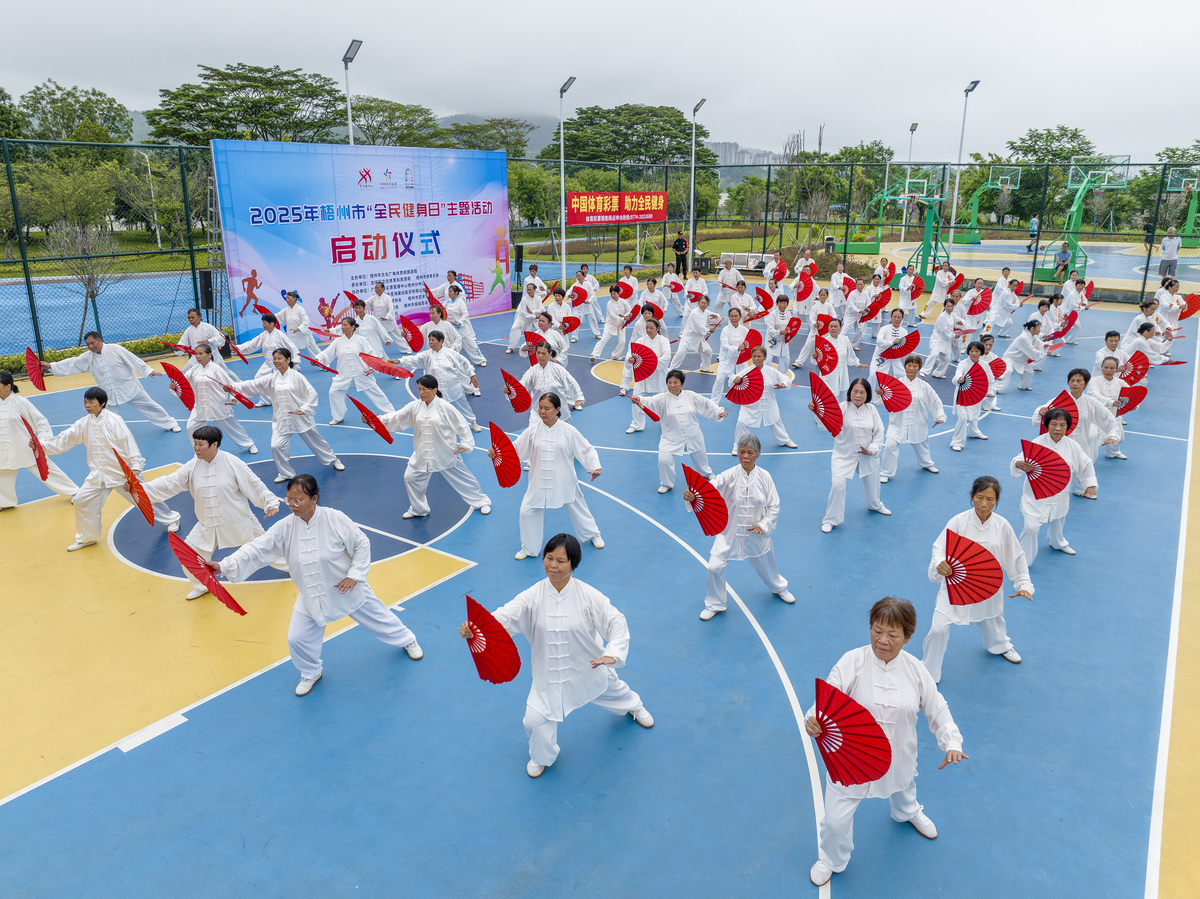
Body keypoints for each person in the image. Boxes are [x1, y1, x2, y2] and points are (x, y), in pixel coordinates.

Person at [460, 533, 653, 778]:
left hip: (588, 668)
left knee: (614, 690)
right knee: (533, 721)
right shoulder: (532, 595)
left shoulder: (588, 595)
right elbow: (505, 616)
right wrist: (475, 628)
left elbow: (615, 621)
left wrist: (612, 653)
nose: (553, 565)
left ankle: (635, 707)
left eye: (561, 561)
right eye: (549, 558)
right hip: (548, 676)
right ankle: (542, 756)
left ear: (574, 563)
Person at [210, 474, 422, 695]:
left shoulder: (334, 518)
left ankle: (407, 640)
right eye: (288, 500)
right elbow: (257, 548)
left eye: (298, 500)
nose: (292, 505)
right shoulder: (285, 527)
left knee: (380, 619)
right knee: (296, 638)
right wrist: (224, 566)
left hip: (345, 587)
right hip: (311, 592)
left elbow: (361, 544)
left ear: (314, 498)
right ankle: (311, 672)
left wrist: (355, 574)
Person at [807, 596, 965, 888]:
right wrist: (813, 718)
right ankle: (832, 858)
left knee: (903, 785)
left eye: (892, 635)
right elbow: (826, 698)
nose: (882, 640)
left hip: (899, 756)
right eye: (877, 630)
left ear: (907, 636)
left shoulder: (917, 670)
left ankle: (907, 812)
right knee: (835, 821)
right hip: (851, 760)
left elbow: (937, 707)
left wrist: (951, 742)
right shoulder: (852, 661)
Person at [143, 425, 281, 600]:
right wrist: (140, 490)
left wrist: (270, 503)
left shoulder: (232, 462)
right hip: (207, 524)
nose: (197, 448)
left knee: (267, 550)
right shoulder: (192, 466)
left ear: (214, 445)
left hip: (238, 521)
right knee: (189, 555)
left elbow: (254, 484)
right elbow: (169, 482)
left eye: (201, 444)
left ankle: (297, 566)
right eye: (195, 443)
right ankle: (201, 585)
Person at [920, 476, 1033, 683]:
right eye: (979, 497)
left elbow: (1015, 556)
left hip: (987, 587)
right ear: (972, 496)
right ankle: (928, 672)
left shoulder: (1002, 526)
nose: (984, 504)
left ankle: (999, 646)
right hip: (956, 585)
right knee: (938, 628)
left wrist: (1023, 583)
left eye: (990, 499)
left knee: (992, 620)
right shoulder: (958, 521)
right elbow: (939, 548)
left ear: (997, 501)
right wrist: (939, 565)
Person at [40, 387, 181, 551]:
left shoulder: (114, 420)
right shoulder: (84, 423)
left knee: (145, 499)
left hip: (122, 474)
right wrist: (41, 446)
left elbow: (128, 441)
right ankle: (88, 537)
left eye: (91, 402)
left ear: (102, 403)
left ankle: (172, 518)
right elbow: (65, 439)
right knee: (81, 500)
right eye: (85, 401)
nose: (87, 405)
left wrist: (135, 466)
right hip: (98, 474)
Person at [689, 434, 794, 619]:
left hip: (757, 535)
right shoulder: (730, 475)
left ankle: (779, 588)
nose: (745, 456)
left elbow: (774, 505)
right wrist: (694, 494)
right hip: (729, 533)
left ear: (758, 454)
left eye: (750, 452)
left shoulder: (765, 477)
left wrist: (763, 525)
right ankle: (715, 603)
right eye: (742, 452)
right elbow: (712, 486)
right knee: (714, 566)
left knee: (768, 569)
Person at [500, 393, 604, 560]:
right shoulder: (532, 430)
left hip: (564, 479)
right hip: (538, 480)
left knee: (577, 505)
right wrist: (498, 452)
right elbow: (516, 448)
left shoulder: (568, 431)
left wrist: (595, 467)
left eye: (547, 408)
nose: (542, 411)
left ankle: (593, 534)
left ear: (557, 410)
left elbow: (586, 449)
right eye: (540, 407)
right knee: (527, 510)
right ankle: (529, 548)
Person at [376, 374, 491, 519]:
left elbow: (461, 425)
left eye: (424, 389)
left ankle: (481, 502)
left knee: (463, 479)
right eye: (419, 389)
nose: (421, 393)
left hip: (445, 452)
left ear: (434, 390)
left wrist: (465, 444)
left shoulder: (445, 407)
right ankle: (418, 509)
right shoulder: (415, 406)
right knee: (410, 477)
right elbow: (397, 417)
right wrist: (376, 420)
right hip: (422, 453)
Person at [230, 348, 343, 483]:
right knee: (276, 446)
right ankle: (285, 472)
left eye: (279, 358)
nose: (276, 361)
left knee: (316, 442)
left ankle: (333, 459)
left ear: (288, 360)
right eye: (275, 358)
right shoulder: (272, 378)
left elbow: (311, 393)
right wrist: (232, 388)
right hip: (281, 419)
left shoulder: (297, 376)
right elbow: (253, 385)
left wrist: (304, 409)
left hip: (300, 417)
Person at [42, 331, 180, 432]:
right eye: (88, 344)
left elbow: (133, 360)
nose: (90, 346)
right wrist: (51, 366)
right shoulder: (87, 357)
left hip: (130, 388)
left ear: (100, 340)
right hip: (109, 394)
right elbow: (71, 363)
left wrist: (148, 371)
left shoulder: (116, 349)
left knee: (150, 406)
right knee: (105, 417)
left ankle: (170, 423)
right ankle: (106, 436)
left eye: (92, 343)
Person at [1011, 408, 1097, 563]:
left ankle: (1057, 543)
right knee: (1031, 527)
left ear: (1067, 427)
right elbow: (1019, 458)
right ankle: (1023, 561)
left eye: (1062, 425)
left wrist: (1090, 484)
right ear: (1047, 425)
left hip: (1060, 494)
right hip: (1036, 496)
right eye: (1054, 424)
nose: (1058, 428)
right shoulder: (1037, 443)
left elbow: (1086, 464)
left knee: (1058, 521)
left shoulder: (1072, 446)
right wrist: (1019, 464)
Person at [633, 369, 726, 493]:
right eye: (669, 382)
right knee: (664, 460)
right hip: (670, 437)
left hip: (693, 435)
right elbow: (650, 401)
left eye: (676, 382)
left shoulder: (691, 395)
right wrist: (639, 399)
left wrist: (718, 412)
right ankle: (666, 483)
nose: (672, 385)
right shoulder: (662, 398)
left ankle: (707, 474)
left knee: (701, 459)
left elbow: (707, 404)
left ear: (682, 384)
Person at [815, 378, 889, 532]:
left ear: (867, 394)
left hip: (867, 455)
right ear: (850, 392)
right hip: (844, 455)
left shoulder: (872, 410)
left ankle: (874, 505)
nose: (858, 395)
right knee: (838, 485)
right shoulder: (842, 407)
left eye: (862, 392)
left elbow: (879, 432)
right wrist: (817, 411)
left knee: (873, 484)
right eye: (855, 391)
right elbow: (824, 425)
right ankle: (831, 519)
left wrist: (872, 449)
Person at [0, 371, 78, 510]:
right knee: (2, 474)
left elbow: (41, 422)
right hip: (3, 448)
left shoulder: (21, 402)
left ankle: (74, 491)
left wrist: (41, 442)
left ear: (8, 386)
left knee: (47, 471)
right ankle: (5, 502)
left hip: (25, 447)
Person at [1032, 369, 1120, 492]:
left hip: (1081, 441)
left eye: (1079, 381)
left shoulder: (1091, 402)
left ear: (1085, 384)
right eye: (1072, 380)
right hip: (1060, 441)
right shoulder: (1058, 400)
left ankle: (1081, 490)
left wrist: (1112, 434)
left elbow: (1108, 417)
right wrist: (1041, 412)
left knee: (1082, 466)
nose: (1074, 383)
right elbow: (1039, 417)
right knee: (1055, 467)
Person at [174, 343, 258, 454]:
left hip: (218, 404)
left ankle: (249, 444)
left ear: (209, 355)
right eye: (196, 354)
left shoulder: (216, 369)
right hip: (201, 406)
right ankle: (200, 450)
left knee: (232, 427)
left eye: (201, 354)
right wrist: (175, 386)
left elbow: (230, 384)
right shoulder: (194, 369)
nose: (198, 356)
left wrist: (233, 398)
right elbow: (183, 382)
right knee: (191, 427)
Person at [879, 355, 945, 484]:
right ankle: (885, 472)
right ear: (904, 367)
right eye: (909, 365)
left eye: (915, 366)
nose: (911, 368)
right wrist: (880, 393)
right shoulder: (895, 384)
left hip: (917, 421)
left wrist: (939, 416)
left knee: (921, 443)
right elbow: (883, 400)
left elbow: (935, 401)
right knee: (890, 445)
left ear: (919, 368)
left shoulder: (924, 386)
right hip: (898, 422)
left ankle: (926, 463)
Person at [398, 330, 482, 432]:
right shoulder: (426, 355)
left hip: (453, 386)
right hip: (437, 390)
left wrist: (472, 375)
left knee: (463, 406)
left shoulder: (450, 353)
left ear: (440, 341)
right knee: (437, 409)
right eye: (429, 340)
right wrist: (400, 361)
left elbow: (464, 362)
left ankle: (473, 422)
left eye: (433, 340)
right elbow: (413, 359)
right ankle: (439, 427)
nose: (430, 342)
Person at [317, 318, 396, 425]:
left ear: (353, 327)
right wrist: (318, 359)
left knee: (376, 393)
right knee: (334, 392)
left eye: (345, 325)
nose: (343, 327)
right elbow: (327, 353)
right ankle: (338, 417)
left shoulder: (360, 340)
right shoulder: (338, 341)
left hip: (361, 373)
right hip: (343, 375)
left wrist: (373, 368)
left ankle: (391, 414)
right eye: (342, 325)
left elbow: (372, 353)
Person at [729, 346, 797, 452]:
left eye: (759, 356)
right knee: (741, 423)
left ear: (765, 357)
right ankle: (738, 445)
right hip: (749, 404)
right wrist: (735, 379)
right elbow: (732, 379)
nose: (756, 358)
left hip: (768, 402)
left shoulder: (771, 371)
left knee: (775, 419)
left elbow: (785, 378)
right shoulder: (746, 371)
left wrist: (783, 385)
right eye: (754, 356)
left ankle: (784, 440)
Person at [512, 341, 585, 426]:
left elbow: (571, 382)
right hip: (538, 412)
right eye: (538, 353)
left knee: (565, 436)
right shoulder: (532, 371)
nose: (540, 356)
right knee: (535, 436)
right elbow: (522, 385)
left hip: (559, 411)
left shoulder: (558, 369)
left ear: (550, 354)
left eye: (543, 353)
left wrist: (578, 397)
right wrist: (511, 389)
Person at [235, 313, 298, 406]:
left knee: (284, 382)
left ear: (272, 323)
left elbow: (292, 348)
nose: (263, 325)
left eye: (265, 323)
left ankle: (290, 399)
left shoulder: (280, 335)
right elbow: (252, 344)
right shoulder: (263, 335)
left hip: (280, 365)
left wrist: (295, 360)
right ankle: (266, 400)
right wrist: (237, 347)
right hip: (268, 363)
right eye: (263, 323)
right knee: (258, 378)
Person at [621, 318, 671, 434]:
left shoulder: (663, 341)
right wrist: (630, 360)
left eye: (651, 328)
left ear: (657, 328)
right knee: (636, 398)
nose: (649, 330)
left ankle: (667, 423)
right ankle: (637, 424)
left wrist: (651, 364)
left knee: (663, 401)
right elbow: (630, 354)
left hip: (658, 375)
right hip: (642, 375)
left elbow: (666, 357)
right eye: (647, 328)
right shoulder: (640, 341)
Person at [949, 341, 993, 452]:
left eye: (976, 351)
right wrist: (959, 378)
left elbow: (990, 380)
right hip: (962, 395)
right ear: (968, 351)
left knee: (974, 414)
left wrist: (991, 391)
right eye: (972, 351)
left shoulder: (985, 365)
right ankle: (957, 441)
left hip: (975, 394)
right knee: (963, 417)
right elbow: (957, 374)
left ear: (981, 353)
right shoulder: (963, 364)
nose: (974, 353)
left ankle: (974, 432)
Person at [1087, 356, 1130, 459]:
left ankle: (1112, 453)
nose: (1108, 371)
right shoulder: (1095, 381)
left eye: (1112, 368)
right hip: (1096, 416)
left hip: (1113, 416)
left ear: (1116, 369)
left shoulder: (1121, 383)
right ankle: (1087, 457)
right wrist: (1111, 402)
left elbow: (1130, 396)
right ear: (1101, 367)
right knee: (1092, 437)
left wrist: (1133, 406)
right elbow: (1095, 395)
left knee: (1119, 438)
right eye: (1105, 367)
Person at [817, 318, 866, 400]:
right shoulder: (823, 341)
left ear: (840, 328)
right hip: (828, 374)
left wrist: (857, 363)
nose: (833, 328)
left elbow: (850, 354)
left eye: (835, 326)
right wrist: (815, 356)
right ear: (828, 328)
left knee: (843, 395)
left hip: (842, 373)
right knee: (826, 395)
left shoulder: (845, 339)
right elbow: (816, 360)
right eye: (831, 326)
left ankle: (842, 411)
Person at [710, 306, 750, 402]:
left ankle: (743, 397)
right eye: (732, 316)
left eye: (736, 316)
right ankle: (714, 401)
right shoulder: (725, 330)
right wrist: (737, 348)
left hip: (740, 358)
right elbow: (725, 346)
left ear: (740, 317)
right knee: (719, 379)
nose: (734, 318)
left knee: (745, 379)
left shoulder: (744, 330)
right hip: (727, 358)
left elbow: (749, 343)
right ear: (729, 317)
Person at [669, 294, 718, 371]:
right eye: (702, 302)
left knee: (708, 352)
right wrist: (708, 330)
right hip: (688, 337)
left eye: (705, 303)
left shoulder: (706, 312)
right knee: (680, 353)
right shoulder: (694, 313)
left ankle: (705, 368)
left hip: (699, 338)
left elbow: (715, 318)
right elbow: (698, 328)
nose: (703, 304)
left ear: (707, 304)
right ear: (698, 303)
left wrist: (716, 316)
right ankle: (671, 369)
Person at [443, 283, 487, 366]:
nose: (449, 293)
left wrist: (459, 322)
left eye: (451, 291)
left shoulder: (460, 302)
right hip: (451, 330)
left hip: (461, 329)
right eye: (448, 292)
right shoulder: (447, 302)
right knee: (451, 347)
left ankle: (481, 359)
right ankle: (450, 363)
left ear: (456, 293)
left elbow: (465, 314)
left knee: (471, 346)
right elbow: (441, 309)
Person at [794, 288, 837, 370]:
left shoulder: (829, 306)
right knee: (807, 345)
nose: (822, 296)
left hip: (825, 332)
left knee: (825, 347)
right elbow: (811, 317)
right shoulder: (815, 306)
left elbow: (834, 316)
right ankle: (799, 361)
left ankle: (822, 361)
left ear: (827, 296)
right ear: (819, 296)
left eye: (824, 295)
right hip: (815, 330)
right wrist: (814, 323)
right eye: (821, 295)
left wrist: (829, 322)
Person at [178, 308, 231, 373]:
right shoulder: (188, 330)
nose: (191, 319)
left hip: (211, 357)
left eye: (193, 317)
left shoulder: (208, 327)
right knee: (185, 372)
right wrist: (177, 348)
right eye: (189, 318)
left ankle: (238, 383)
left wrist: (209, 341)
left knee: (225, 374)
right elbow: (182, 343)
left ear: (199, 317)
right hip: (196, 357)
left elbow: (221, 338)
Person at [1000, 320, 1046, 392]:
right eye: (1038, 328)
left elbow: (1040, 343)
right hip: (1010, 358)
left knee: (1029, 372)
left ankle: (1023, 386)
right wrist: (1044, 352)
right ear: (1032, 328)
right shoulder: (1024, 338)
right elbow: (1033, 353)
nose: (1040, 330)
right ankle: (998, 389)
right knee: (1008, 371)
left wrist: (1045, 346)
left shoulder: (1031, 336)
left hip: (1020, 360)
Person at [592, 285, 633, 363]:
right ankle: (595, 354)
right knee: (604, 339)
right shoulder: (609, 304)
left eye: (614, 293)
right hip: (610, 324)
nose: (613, 295)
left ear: (618, 293)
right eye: (611, 294)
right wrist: (623, 318)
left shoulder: (623, 302)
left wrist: (626, 316)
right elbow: (612, 317)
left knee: (622, 342)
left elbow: (629, 311)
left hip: (621, 325)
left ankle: (615, 355)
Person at [870, 308, 911, 382]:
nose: (896, 319)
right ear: (891, 317)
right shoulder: (884, 329)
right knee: (874, 375)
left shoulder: (904, 332)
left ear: (902, 319)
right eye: (894, 317)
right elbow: (879, 341)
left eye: (899, 317)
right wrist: (892, 342)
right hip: (882, 355)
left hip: (895, 357)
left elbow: (905, 346)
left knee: (903, 376)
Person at [277, 290, 321, 358]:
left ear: (294, 298)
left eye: (288, 298)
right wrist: (269, 317)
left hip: (303, 333)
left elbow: (306, 321)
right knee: (292, 351)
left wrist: (299, 328)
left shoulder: (300, 309)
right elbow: (277, 316)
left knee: (314, 350)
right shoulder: (286, 310)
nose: (287, 300)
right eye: (286, 298)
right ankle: (295, 367)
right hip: (291, 334)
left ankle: (323, 362)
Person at [370, 281, 411, 353]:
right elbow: (365, 304)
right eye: (375, 288)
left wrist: (387, 317)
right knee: (375, 337)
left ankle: (406, 349)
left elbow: (391, 308)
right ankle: (375, 351)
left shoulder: (387, 298)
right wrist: (355, 304)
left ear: (383, 288)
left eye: (377, 288)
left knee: (397, 335)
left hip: (388, 320)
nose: (376, 289)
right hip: (378, 322)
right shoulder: (373, 298)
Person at [924, 298, 958, 379]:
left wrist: (964, 327)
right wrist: (954, 335)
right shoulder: (942, 317)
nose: (950, 308)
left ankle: (938, 373)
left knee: (946, 359)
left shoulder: (953, 316)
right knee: (934, 354)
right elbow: (943, 331)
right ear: (944, 306)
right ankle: (924, 371)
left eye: (951, 306)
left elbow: (961, 322)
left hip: (946, 341)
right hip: (938, 339)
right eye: (948, 306)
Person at [510, 282, 547, 355]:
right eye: (527, 290)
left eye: (530, 289)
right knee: (514, 328)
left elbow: (541, 309)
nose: (528, 291)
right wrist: (534, 316)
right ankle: (511, 347)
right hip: (523, 319)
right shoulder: (524, 299)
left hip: (535, 319)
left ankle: (545, 346)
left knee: (542, 330)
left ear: (534, 290)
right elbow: (523, 312)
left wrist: (532, 312)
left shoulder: (538, 298)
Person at [569, 270, 603, 338]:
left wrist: (589, 301)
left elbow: (592, 295)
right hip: (578, 306)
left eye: (579, 275)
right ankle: (574, 337)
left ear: (583, 276)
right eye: (577, 276)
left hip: (587, 305)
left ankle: (597, 333)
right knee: (575, 320)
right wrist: (569, 295)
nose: (578, 277)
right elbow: (568, 292)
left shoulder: (588, 284)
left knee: (592, 319)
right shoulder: (574, 285)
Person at [764, 295, 794, 370]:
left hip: (784, 341)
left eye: (784, 303)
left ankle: (782, 379)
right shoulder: (773, 314)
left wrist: (790, 333)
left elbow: (791, 327)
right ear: (777, 303)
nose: (782, 305)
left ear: (787, 304)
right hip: (772, 341)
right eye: (780, 303)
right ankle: (766, 378)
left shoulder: (788, 314)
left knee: (785, 361)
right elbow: (770, 329)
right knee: (767, 361)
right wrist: (780, 332)